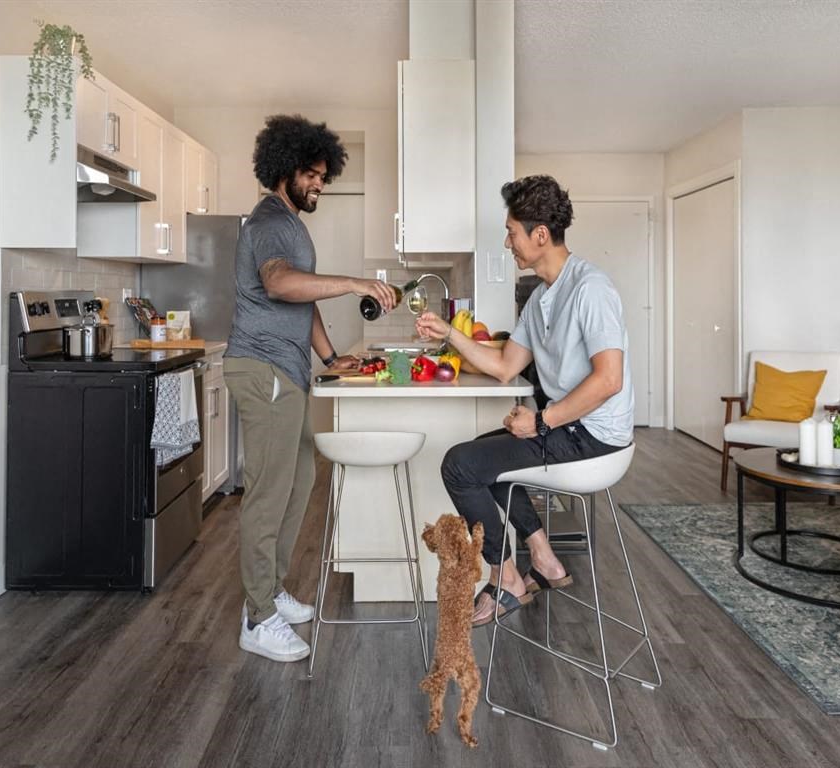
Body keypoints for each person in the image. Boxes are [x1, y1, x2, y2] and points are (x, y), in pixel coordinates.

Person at [415, 174, 634, 627]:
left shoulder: (590, 288)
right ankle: (545, 560)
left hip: (596, 436)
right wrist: (449, 332)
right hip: (571, 428)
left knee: (460, 466)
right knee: (484, 456)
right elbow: (504, 365)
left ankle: (507, 578)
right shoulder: (541, 298)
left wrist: (541, 421)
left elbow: (609, 380)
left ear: (540, 235)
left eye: (512, 232)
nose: (507, 242)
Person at [225, 114, 397, 661]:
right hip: (263, 368)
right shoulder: (270, 220)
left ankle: (271, 589)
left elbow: (303, 300)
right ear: (285, 170)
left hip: (289, 370)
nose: (320, 184)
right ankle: (257, 617)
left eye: (324, 176)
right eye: (312, 175)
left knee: (298, 482)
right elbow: (279, 284)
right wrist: (352, 282)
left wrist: (329, 357)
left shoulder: (293, 224)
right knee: (268, 493)